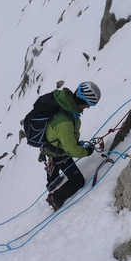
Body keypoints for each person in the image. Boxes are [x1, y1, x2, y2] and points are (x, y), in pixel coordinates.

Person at [43, 81, 101, 211]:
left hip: (51, 144)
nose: (88, 107)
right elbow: (71, 150)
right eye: (88, 104)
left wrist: (75, 143)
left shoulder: (65, 104)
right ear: (81, 100)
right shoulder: (65, 122)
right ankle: (55, 198)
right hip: (59, 152)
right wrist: (86, 152)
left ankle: (52, 180)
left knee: (55, 161)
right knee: (78, 181)